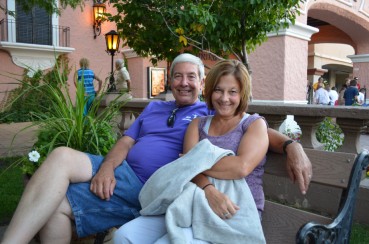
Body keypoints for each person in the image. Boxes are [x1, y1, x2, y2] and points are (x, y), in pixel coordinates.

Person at [1, 53, 312, 244]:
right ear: (170, 81)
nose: (184, 82)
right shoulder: (156, 109)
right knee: (57, 183)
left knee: (57, 195)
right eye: (178, 76)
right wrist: (108, 166)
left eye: (192, 76)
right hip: (122, 175)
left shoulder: (206, 115)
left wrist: (290, 145)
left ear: (201, 82)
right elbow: (125, 141)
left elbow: (252, 127)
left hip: (152, 189)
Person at [114, 59, 269, 243]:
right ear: (210, 91)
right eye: (218, 90)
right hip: (192, 202)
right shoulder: (198, 124)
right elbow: (186, 170)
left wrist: (193, 161)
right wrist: (208, 188)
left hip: (234, 211)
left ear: (242, 94)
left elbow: (241, 167)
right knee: (123, 236)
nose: (224, 98)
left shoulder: (253, 124)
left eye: (232, 92)